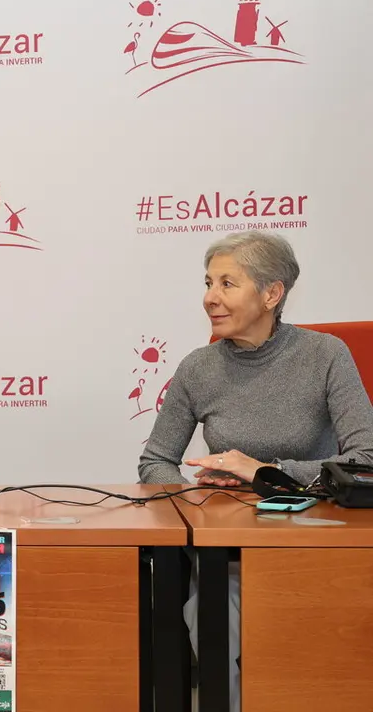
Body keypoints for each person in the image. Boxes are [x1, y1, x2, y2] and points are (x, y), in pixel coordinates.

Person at [138, 231, 373, 711]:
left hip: (313, 539)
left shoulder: (326, 355)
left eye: (227, 283)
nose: (210, 297)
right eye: (208, 283)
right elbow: (155, 459)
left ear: (272, 293)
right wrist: (191, 501)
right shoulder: (197, 368)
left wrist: (265, 471)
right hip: (226, 549)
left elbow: (366, 458)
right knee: (211, 609)